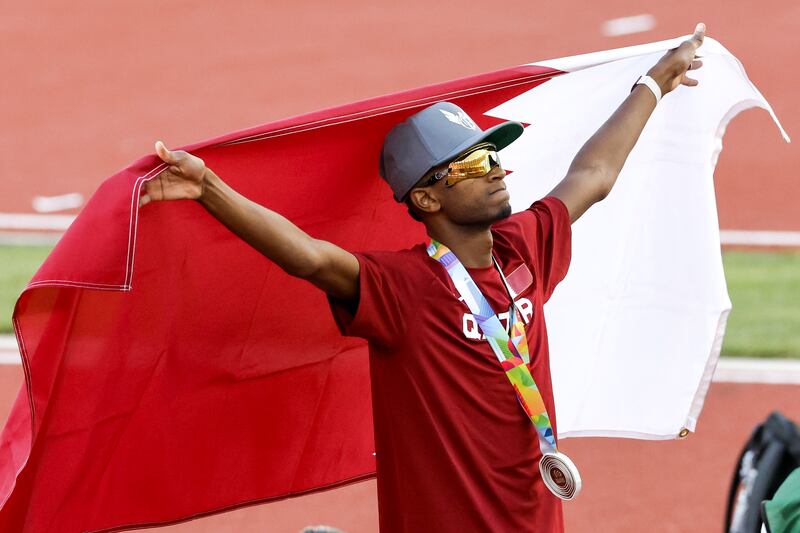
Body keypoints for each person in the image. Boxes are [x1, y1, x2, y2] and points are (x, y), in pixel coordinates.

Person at [139, 24, 706, 533]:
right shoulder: (403, 288)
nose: (495, 172)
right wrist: (208, 188)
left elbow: (595, 174)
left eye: (493, 156)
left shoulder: (524, 249)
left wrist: (655, 82)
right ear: (426, 196)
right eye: (470, 166)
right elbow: (310, 258)